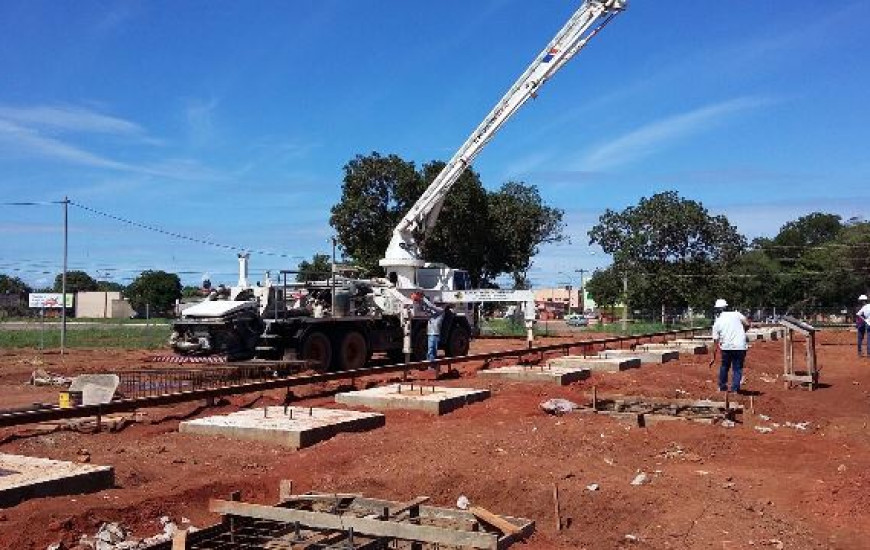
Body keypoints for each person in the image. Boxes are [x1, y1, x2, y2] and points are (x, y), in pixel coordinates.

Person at [709, 298, 750, 393]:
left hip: (726, 347)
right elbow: (747, 323)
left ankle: (722, 387)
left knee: (724, 366)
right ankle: (735, 389)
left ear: (717, 310)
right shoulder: (737, 314)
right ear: (726, 307)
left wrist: (713, 357)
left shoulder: (717, 322)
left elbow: (715, 341)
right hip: (740, 346)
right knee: (737, 368)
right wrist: (743, 332)